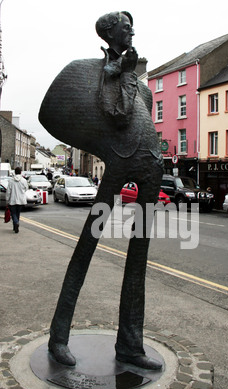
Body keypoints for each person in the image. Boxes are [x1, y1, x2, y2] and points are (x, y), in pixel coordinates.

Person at [39, 11, 164, 370]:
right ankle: (59, 337)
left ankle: (130, 344)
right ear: (109, 32)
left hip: (150, 168)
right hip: (118, 165)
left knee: (139, 258)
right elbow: (107, 115)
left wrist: (126, 74)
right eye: (126, 26)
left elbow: (141, 118)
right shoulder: (90, 71)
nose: (132, 30)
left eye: (132, 26)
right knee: (86, 248)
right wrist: (112, 74)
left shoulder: (140, 85)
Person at [6, 167, 28, 233]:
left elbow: (8, 191)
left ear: (15, 172)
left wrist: (7, 200)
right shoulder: (24, 180)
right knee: (18, 213)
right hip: (21, 200)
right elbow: (26, 189)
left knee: (13, 213)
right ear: (21, 172)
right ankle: (15, 225)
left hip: (13, 200)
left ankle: (16, 223)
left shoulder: (11, 181)